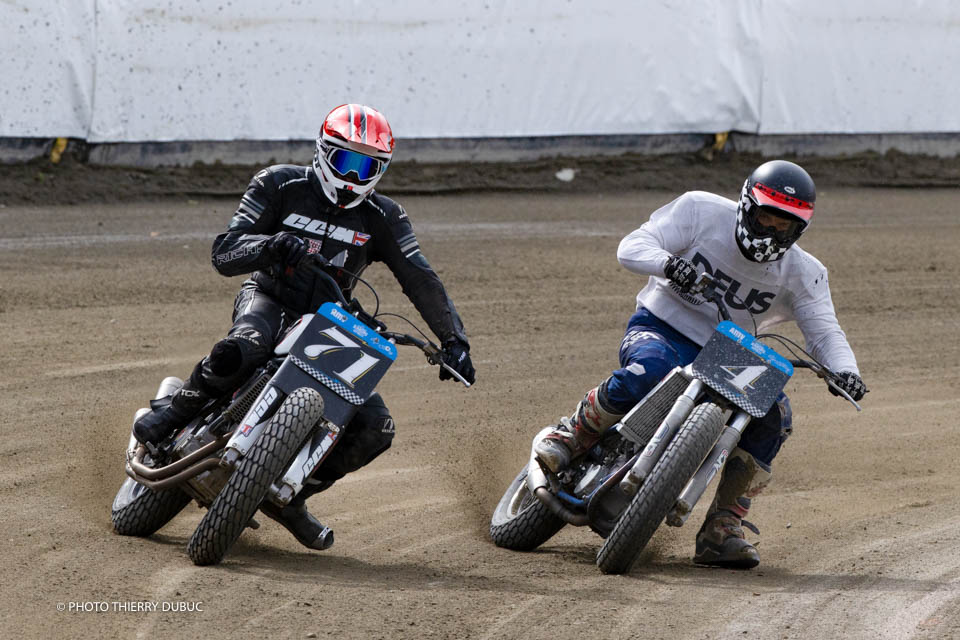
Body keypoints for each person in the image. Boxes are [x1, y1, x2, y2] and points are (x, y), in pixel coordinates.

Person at [133, 103, 476, 550]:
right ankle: (175, 412)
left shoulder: (386, 216)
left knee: (376, 427)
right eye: (345, 160)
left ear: (381, 170)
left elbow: (420, 276)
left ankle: (294, 496)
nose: (352, 175)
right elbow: (224, 251)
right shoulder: (278, 182)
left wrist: (454, 340)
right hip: (270, 296)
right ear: (322, 151)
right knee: (243, 348)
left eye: (366, 166)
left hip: (333, 319)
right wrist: (271, 245)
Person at [534, 160, 867, 568]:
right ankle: (574, 434)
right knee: (650, 369)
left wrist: (846, 372)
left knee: (775, 415)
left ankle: (723, 527)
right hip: (662, 325)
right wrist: (668, 264)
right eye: (766, 217)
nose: (772, 231)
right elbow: (632, 246)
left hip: (729, 353)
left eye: (785, 225)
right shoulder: (700, 210)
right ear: (747, 205)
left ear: (800, 229)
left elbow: (825, 332)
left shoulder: (806, 272)